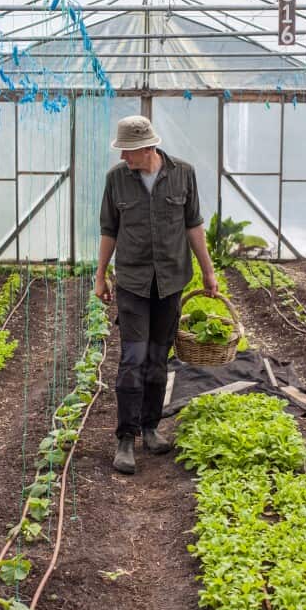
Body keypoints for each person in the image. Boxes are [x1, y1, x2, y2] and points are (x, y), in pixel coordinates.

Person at [94, 115, 218, 475]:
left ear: (147, 147)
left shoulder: (183, 174)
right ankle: (125, 438)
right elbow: (109, 230)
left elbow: (193, 225)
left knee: (157, 359)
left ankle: (150, 427)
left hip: (170, 282)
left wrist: (208, 272)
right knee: (132, 359)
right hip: (132, 282)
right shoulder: (116, 180)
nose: (123, 158)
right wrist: (100, 276)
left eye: (128, 152)